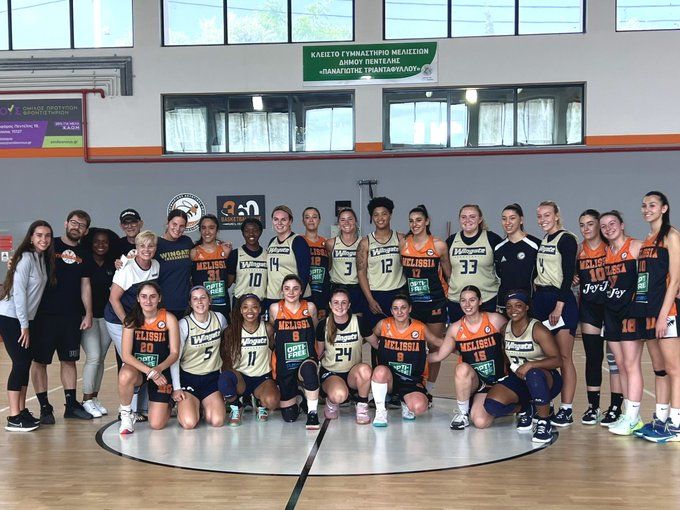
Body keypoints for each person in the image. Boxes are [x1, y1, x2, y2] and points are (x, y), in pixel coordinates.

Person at [31, 210, 93, 423]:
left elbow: (85, 284)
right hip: (43, 316)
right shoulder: (50, 244)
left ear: (85, 231)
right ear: (66, 223)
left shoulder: (85, 253)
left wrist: (88, 312)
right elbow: (27, 260)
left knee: (69, 360)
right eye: (74, 222)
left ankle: (71, 405)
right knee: (40, 362)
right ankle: (45, 407)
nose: (77, 227)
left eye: (82, 225)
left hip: (71, 316)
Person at [482, 291, 563, 443]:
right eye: (509, 307)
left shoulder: (538, 329)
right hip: (519, 378)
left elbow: (558, 360)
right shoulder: (504, 329)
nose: (513, 310)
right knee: (492, 406)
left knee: (533, 375)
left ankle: (543, 421)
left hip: (545, 378)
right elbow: (505, 356)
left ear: (526, 307)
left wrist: (532, 364)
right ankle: (527, 408)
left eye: (518, 306)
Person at [634, 192, 680, 443]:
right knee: (660, 370)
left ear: (664, 208)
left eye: (652, 205)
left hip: (667, 312)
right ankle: (661, 418)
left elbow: (674, 280)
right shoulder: (648, 240)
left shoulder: (672, 236)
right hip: (648, 311)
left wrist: (663, 315)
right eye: (644, 205)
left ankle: (677, 423)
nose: (647, 209)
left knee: (675, 369)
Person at [0, 221, 54, 431]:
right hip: (12, 317)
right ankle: (14, 416)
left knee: (24, 362)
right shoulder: (25, 258)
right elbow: (20, 294)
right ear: (31, 237)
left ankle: (21, 411)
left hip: (24, 319)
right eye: (39, 235)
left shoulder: (40, 257)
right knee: (20, 364)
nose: (44, 239)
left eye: (47, 235)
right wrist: (24, 325)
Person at [428, 286, 506, 429]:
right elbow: (439, 355)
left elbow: (512, 342)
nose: (467, 305)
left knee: (482, 421)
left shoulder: (495, 320)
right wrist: (415, 356)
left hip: (499, 380)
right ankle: (463, 413)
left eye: (472, 300)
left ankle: (502, 405)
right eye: (463, 301)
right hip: (478, 383)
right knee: (462, 369)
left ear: (480, 301)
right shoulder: (456, 328)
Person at [598, 211, 647, 436]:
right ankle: (630, 416)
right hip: (612, 311)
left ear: (622, 224)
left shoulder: (636, 246)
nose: (608, 228)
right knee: (619, 364)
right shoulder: (607, 253)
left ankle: (633, 415)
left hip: (630, 312)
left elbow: (652, 274)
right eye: (604, 226)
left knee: (630, 363)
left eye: (612, 223)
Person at [105, 230, 160, 420]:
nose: (146, 249)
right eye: (142, 246)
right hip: (118, 320)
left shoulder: (156, 266)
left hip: (139, 321)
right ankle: (127, 410)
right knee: (131, 363)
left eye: (150, 246)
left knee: (143, 358)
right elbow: (113, 299)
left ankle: (141, 408)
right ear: (135, 249)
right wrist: (127, 323)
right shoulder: (126, 268)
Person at [533, 201, 578, 427]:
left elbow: (569, 272)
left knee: (564, 357)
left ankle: (567, 409)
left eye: (547, 215)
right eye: (539, 216)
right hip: (541, 299)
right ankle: (545, 404)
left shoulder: (566, 238)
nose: (542, 219)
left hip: (560, 301)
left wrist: (559, 305)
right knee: (544, 357)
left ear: (557, 215)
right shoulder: (543, 240)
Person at [576, 210, 623, 426]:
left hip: (611, 307)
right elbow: (574, 276)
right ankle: (593, 407)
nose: (586, 228)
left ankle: (615, 407)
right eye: (582, 225)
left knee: (614, 360)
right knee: (593, 358)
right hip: (589, 309)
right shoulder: (579, 251)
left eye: (590, 224)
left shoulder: (609, 247)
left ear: (598, 226)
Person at [366, 294, 441, 427]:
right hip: (389, 379)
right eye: (395, 308)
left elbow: (437, 342)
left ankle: (405, 401)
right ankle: (381, 412)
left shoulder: (420, 327)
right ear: (391, 310)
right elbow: (368, 336)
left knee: (419, 407)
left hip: (411, 381)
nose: (399, 312)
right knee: (379, 371)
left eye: (403, 308)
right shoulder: (384, 324)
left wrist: (457, 346)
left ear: (410, 309)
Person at [400, 205, 451, 393]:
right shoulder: (404, 244)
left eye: (419, 220)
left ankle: (429, 389)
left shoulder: (438, 245)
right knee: (413, 346)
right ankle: (413, 384)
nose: (415, 224)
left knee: (434, 346)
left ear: (427, 221)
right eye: (411, 221)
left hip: (435, 302)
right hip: (412, 304)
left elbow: (449, 274)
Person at [118, 282, 179, 434]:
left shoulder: (169, 318)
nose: (148, 301)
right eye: (144, 296)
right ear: (138, 299)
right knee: (125, 374)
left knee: (156, 424)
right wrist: (151, 372)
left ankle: (169, 402)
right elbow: (126, 355)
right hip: (139, 370)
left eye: (153, 296)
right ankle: (126, 414)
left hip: (161, 369)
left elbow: (174, 353)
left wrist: (158, 369)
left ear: (159, 298)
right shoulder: (131, 320)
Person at [171, 285, 228, 429]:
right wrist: (177, 387)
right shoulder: (183, 324)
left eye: (203, 297)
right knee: (189, 423)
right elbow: (175, 358)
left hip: (212, 378)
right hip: (189, 377)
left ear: (210, 300)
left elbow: (226, 347)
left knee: (217, 421)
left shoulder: (219, 318)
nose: (200, 302)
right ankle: (190, 406)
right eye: (195, 299)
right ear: (190, 303)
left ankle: (203, 406)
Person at [218, 294, 280, 425]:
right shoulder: (232, 331)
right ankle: (236, 406)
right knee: (224, 380)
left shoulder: (267, 328)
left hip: (261, 377)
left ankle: (259, 403)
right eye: (245, 307)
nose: (250, 311)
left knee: (273, 402)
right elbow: (225, 359)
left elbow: (274, 350)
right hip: (241, 377)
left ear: (260, 309)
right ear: (240, 310)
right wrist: (229, 378)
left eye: (254, 307)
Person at [316, 287, 374, 424]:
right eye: (336, 302)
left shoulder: (359, 322)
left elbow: (377, 344)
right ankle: (331, 401)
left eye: (343, 302)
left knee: (366, 370)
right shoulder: (323, 325)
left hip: (352, 374)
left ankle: (362, 406)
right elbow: (318, 353)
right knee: (339, 395)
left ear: (349, 305)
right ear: (330, 305)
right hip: (331, 373)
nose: (340, 306)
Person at [269, 274, 319, 429]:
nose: (291, 292)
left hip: (306, 359)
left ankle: (312, 413)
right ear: (282, 291)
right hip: (285, 363)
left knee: (309, 371)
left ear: (301, 291)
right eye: (287, 288)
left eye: (295, 289)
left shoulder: (309, 307)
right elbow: (273, 332)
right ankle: (300, 396)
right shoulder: (275, 308)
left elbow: (315, 330)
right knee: (289, 417)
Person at [81, 228, 117, 418]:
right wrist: (86, 314)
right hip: (87, 317)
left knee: (101, 359)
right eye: (97, 241)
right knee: (93, 356)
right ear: (91, 243)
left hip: (106, 317)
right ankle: (86, 399)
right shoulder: (85, 262)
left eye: (104, 242)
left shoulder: (112, 264)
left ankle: (94, 397)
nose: (100, 245)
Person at [446, 204, 502, 323]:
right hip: (458, 300)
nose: (467, 220)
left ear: (480, 219)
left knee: (489, 338)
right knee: (460, 338)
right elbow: (447, 270)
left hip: (487, 298)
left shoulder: (492, 239)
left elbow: (503, 269)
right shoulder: (451, 241)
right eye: (463, 217)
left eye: (472, 216)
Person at [357, 197, 406, 330]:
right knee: (377, 337)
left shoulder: (401, 238)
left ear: (390, 215)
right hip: (375, 293)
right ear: (372, 217)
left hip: (398, 292)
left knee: (399, 332)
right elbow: (361, 273)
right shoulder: (365, 242)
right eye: (376, 214)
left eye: (384, 213)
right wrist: (370, 299)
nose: (380, 218)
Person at [263, 206, 311, 316]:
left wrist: (297, 298)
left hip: (293, 297)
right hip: (273, 296)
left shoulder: (298, 241)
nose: (279, 223)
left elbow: (304, 273)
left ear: (290, 221)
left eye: (283, 219)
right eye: (276, 219)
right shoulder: (272, 241)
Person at [494, 204, 540, 313]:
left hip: (528, 303)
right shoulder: (498, 248)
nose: (507, 222)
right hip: (505, 304)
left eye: (512, 218)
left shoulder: (535, 245)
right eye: (504, 219)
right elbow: (499, 276)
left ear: (521, 220)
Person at [191, 214, 232, 318]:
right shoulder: (194, 252)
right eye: (203, 228)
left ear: (217, 230)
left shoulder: (225, 250)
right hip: (201, 304)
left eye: (211, 228)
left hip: (221, 302)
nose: (207, 232)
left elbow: (230, 279)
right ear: (200, 230)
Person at [325, 207, 365, 314]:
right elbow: (328, 267)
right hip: (337, 288)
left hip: (357, 288)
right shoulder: (331, 243)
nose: (346, 222)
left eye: (350, 219)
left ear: (355, 221)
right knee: (337, 321)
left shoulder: (364, 242)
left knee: (358, 321)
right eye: (342, 220)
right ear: (338, 224)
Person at [156, 209, 194, 318]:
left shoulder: (186, 241)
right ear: (167, 223)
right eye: (174, 224)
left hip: (185, 305)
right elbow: (140, 257)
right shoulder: (156, 243)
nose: (177, 228)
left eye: (182, 226)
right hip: (163, 305)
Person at [227, 217, 268, 306]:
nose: (251, 234)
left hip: (261, 302)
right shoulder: (235, 254)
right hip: (240, 302)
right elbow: (228, 283)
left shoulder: (267, 255)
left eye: (255, 230)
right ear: (242, 233)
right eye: (247, 231)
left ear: (260, 232)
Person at [303, 207, 331, 320]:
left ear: (319, 220)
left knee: (321, 327)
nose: (311, 220)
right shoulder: (298, 241)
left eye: (314, 217)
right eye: (307, 217)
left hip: (321, 290)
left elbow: (329, 266)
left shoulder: (326, 242)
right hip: (305, 290)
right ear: (303, 221)